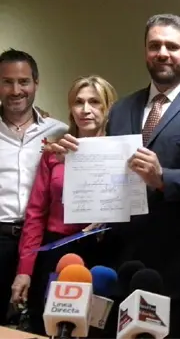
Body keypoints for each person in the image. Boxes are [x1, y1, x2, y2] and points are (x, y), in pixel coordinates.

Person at [48, 14, 180, 338]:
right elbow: (112, 176)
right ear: (145, 52)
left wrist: (164, 178)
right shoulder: (122, 108)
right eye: (154, 46)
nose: (162, 53)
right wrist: (78, 159)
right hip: (126, 269)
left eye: (172, 46)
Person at [10, 75, 118, 335]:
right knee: (48, 327)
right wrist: (25, 270)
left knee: (96, 330)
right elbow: (36, 215)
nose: (85, 109)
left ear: (108, 107)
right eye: (78, 102)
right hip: (56, 252)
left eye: (95, 102)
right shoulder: (55, 152)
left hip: (102, 253)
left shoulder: (121, 152)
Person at [0, 49, 68, 326]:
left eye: (24, 82)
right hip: (1, 238)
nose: (16, 90)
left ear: (36, 84)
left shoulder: (60, 132)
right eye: (7, 82)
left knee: (39, 323)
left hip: (43, 243)